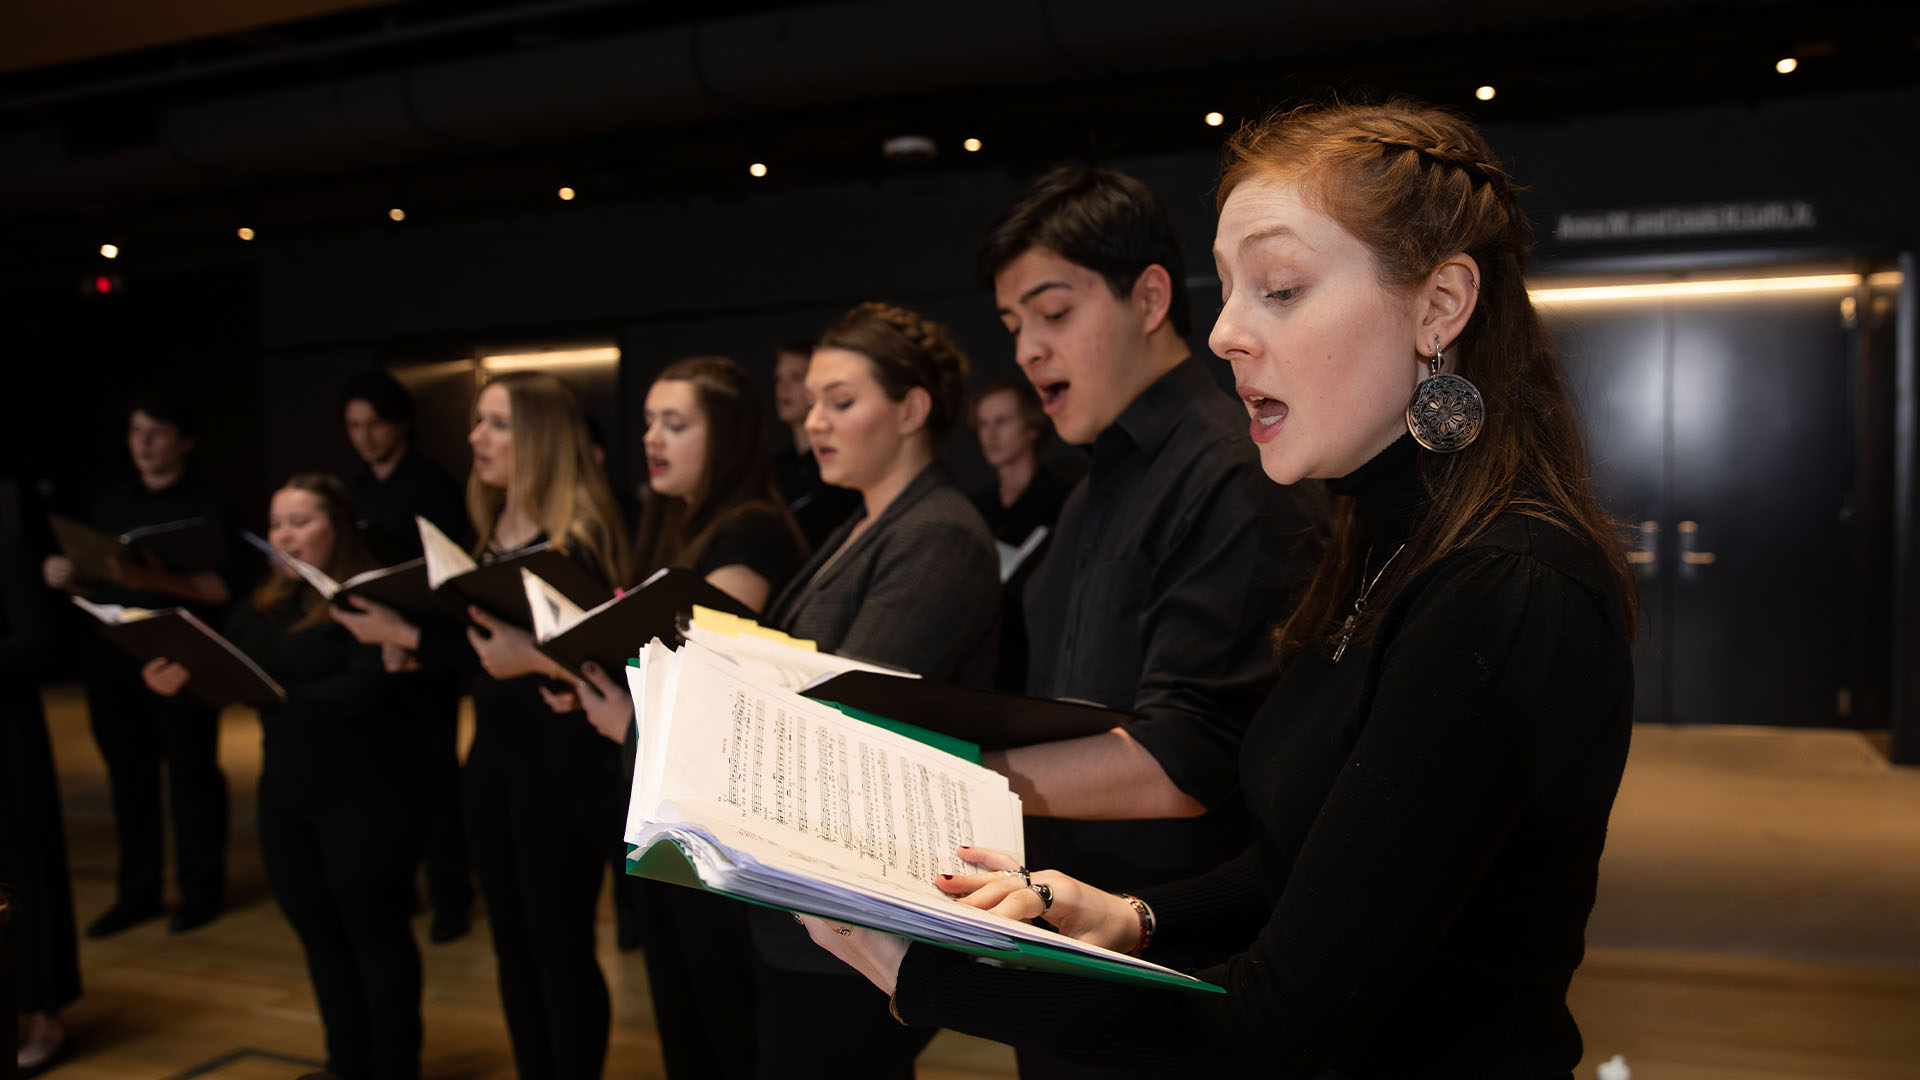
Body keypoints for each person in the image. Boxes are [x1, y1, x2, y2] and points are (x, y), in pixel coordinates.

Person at [803, 98, 1638, 1078]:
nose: (1228, 333)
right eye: (1232, 290)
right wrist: (1134, 915)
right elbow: (1310, 863)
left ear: (1441, 306)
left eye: (1280, 289)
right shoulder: (1382, 542)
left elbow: (1274, 1028)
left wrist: (922, 973)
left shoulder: (1505, 587)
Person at [973, 165, 1327, 1052]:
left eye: (1054, 313)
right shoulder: (1096, 482)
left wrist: (957, 774)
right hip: (1062, 918)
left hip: (1172, 951)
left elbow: (1187, 757)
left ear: (1151, 296)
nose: (1026, 349)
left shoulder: (1229, 473)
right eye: (1014, 325)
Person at [332, 372, 630, 1080]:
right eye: (477, 423)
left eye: (496, 424)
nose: (476, 439)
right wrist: (409, 633)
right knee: (513, 947)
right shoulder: (491, 529)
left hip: (565, 770)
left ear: (540, 439)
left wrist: (532, 662)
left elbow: (611, 673)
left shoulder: (578, 540)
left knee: (559, 948)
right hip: (496, 757)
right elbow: (485, 659)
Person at [748, 302, 1001, 1079]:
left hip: (866, 906)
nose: (814, 421)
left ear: (912, 410)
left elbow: (848, 713)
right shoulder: (858, 524)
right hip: (817, 899)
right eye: (813, 401)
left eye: (841, 401)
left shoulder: (939, 534)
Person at [552, 355, 808, 1080]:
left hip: (718, 812)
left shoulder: (751, 529)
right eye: (648, 423)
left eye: (676, 423)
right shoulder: (680, 524)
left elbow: (712, 679)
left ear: (724, 435)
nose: (653, 439)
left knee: (722, 1026)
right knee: (687, 1019)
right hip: (670, 799)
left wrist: (617, 713)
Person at [143, 474, 427, 1080]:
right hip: (288, 795)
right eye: (276, 524)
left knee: (374, 934)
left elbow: (363, 690)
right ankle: (345, 1063)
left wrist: (273, 694)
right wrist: (182, 684)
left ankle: (395, 1067)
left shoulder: (369, 601)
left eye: (300, 522)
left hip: (365, 796)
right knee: (316, 930)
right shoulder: (264, 602)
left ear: (339, 529)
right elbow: (224, 670)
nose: (283, 537)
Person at [41, 396, 233, 937]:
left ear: (184, 441)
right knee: (129, 780)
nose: (144, 444)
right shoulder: (111, 502)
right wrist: (68, 578)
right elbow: (98, 584)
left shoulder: (208, 502)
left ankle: (201, 890)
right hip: (114, 658)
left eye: (157, 432)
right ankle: (138, 892)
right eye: (135, 432)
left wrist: (155, 581)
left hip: (181, 656)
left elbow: (221, 587)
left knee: (192, 777)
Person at [339, 368, 475, 945]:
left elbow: (448, 580)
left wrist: (414, 638)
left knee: (437, 780)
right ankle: (405, 885)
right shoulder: (351, 492)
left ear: (401, 425)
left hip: (428, 651)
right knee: (384, 782)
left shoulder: (434, 487)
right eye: (354, 427)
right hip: (376, 651)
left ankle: (452, 896)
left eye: (374, 425)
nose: (365, 437)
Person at [3, 482, 80, 1077]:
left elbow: (37, 642)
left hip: (5, 729)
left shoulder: (8, 524)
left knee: (20, 873)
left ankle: (43, 1013)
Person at [965, 377, 1071, 693]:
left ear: (1032, 427)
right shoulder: (973, 508)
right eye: (983, 424)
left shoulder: (1062, 503)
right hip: (979, 661)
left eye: (1002, 422)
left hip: (1033, 662)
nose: (990, 435)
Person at [770, 338, 860, 549]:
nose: (783, 387)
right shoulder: (772, 469)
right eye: (778, 378)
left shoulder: (844, 467)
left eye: (796, 377)